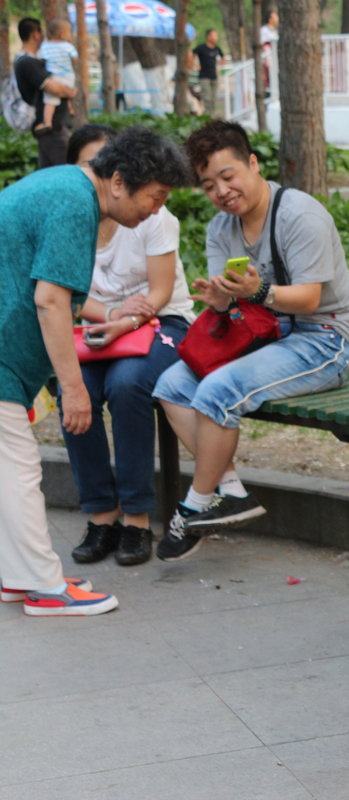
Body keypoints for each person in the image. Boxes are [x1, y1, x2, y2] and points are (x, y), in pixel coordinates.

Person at [0, 126, 190, 616]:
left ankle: (20, 577)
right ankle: (44, 588)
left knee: (9, 470)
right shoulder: (74, 200)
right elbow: (50, 300)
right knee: (19, 471)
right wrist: (72, 388)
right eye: (155, 196)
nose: (155, 209)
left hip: (8, 359)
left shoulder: (67, 187)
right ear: (120, 180)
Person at [152, 120, 349, 562]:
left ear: (253, 163)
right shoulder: (219, 230)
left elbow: (309, 298)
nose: (222, 192)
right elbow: (234, 308)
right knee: (171, 384)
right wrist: (221, 302)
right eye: (209, 185)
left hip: (324, 340)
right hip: (264, 336)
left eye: (228, 177)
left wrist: (256, 293)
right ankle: (229, 489)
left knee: (216, 391)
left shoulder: (299, 215)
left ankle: (194, 506)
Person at [61, 125, 196, 568]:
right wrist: (112, 318)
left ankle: (137, 519)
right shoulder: (73, 216)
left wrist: (131, 318)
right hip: (102, 326)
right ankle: (102, 516)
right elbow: (71, 295)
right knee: (73, 384)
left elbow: (159, 292)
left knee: (129, 382)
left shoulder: (152, 215)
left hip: (162, 321)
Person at [13, 17, 77, 168]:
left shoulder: (38, 59)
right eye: (42, 33)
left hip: (52, 129)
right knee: (66, 172)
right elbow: (54, 88)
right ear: (36, 34)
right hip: (52, 130)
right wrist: (70, 92)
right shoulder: (26, 62)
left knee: (48, 174)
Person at [34, 18, 77, 137]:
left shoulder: (45, 45)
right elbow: (75, 58)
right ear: (63, 34)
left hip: (54, 77)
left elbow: (42, 59)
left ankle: (47, 122)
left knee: (50, 102)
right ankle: (70, 108)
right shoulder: (68, 46)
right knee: (69, 93)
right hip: (68, 76)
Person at [192, 29, 224, 117]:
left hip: (214, 76)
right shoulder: (201, 47)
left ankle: (212, 116)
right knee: (207, 98)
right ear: (208, 36)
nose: (216, 37)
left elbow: (223, 57)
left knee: (213, 98)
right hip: (204, 76)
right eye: (214, 35)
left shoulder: (217, 48)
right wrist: (195, 65)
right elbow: (191, 54)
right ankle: (207, 116)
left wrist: (219, 68)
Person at [259, 11, 279, 93]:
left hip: (274, 60)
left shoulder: (275, 31)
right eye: (275, 17)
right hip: (267, 60)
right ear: (270, 19)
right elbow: (263, 44)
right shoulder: (264, 30)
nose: (277, 19)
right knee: (268, 79)